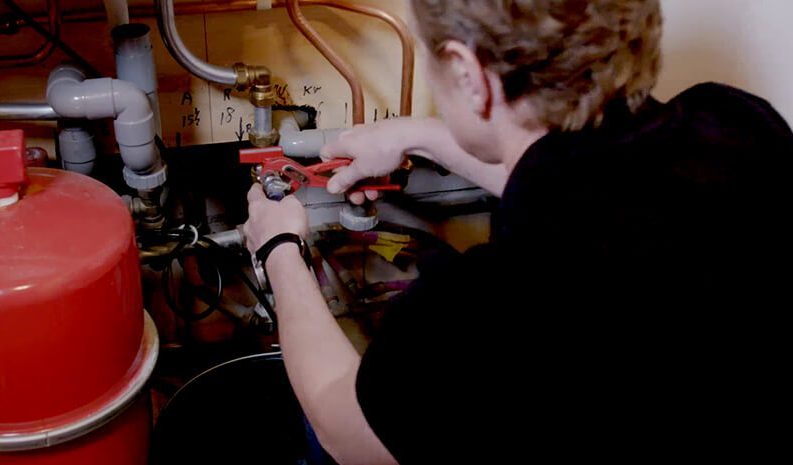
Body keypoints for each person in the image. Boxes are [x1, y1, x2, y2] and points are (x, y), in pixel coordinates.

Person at [241, 1, 793, 463]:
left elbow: (345, 430)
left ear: (467, 75)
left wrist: (279, 246)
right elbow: (583, 183)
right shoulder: (739, 125)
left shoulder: (492, 306)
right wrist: (419, 135)